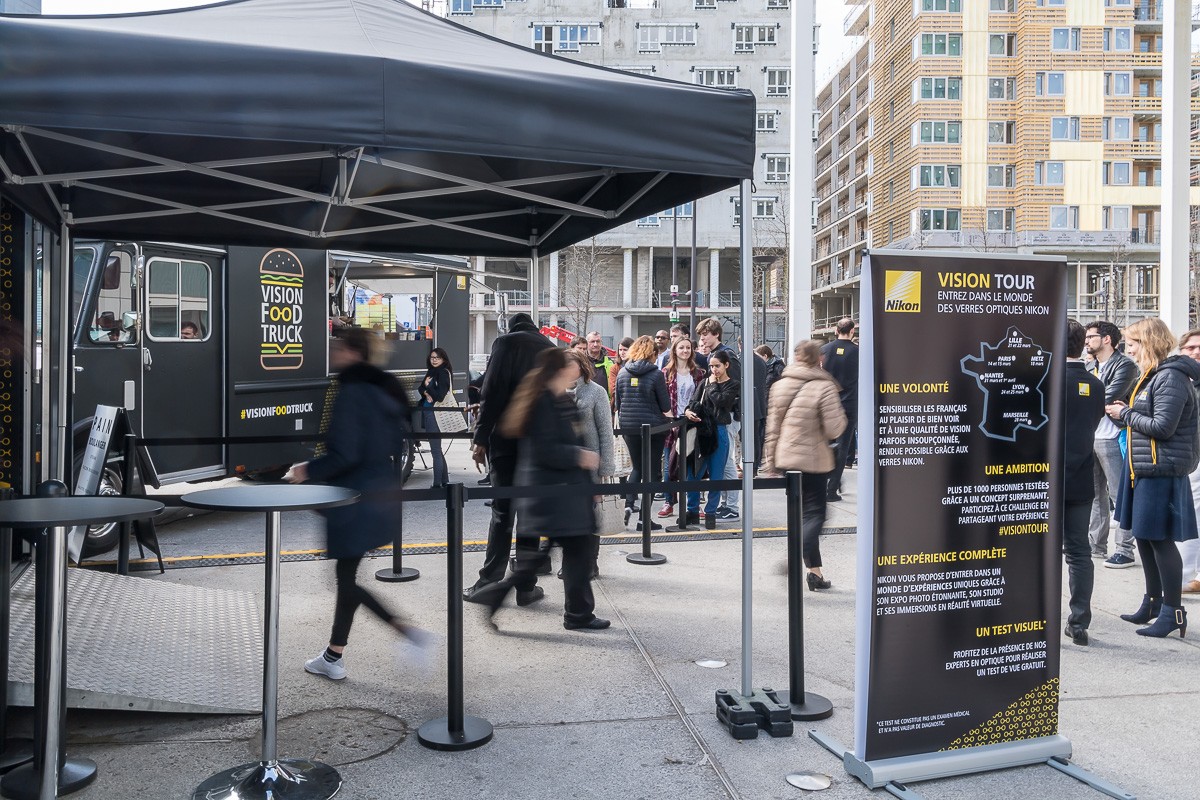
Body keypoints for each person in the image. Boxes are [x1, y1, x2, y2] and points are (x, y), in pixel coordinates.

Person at [286, 328, 427, 679]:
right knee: (345, 575)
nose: (333, 354)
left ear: (352, 352)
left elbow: (346, 453)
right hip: (380, 495)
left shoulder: (352, 391)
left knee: (347, 580)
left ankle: (409, 635)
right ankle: (333, 656)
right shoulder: (384, 389)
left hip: (354, 500)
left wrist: (306, 470)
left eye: (337, 348)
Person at [477, 348, 609, 631]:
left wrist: (589, 484)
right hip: (555, 494)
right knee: (576, 552)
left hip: (561, 494)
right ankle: (578, 614)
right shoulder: (544, 403)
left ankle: (498, 595)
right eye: (572, 364)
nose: (578, 368)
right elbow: (544, 450)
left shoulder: (558, 399)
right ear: (560, 370)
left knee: (553, 554)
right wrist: (580, 456)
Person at [1105, 317, 1199, 639]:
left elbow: (1163, 427)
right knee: (1144, 537)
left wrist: (1126, 414)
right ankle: (1153, 602)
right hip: (1145, 469)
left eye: (1132, 344)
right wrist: (1123, 415)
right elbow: (1145, 423)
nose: (1128, 350)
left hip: (1161, 470)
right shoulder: (1152, 377)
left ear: (1148, 343)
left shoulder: (1170, 377)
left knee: (1159, 540)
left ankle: (1172, 611)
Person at [465, 312, 554, 603]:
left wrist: (480, 439)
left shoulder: (504, 342)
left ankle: (488, 583)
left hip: (505, 441)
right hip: (538, 444)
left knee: (503, 513)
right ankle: (526, 588)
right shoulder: (548, 346)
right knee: (529, 515)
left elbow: (492, 391)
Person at [761, 340, 847, 590]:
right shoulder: (824, 386)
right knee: (816, 515)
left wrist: (770, 461)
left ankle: (815, 574)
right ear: (819, 359)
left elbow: (772, 427)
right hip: (814, 460)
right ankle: (795, 556)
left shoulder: (780, 385)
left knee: (802, 517)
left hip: (787, 459)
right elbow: (834, 428)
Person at [1063, 320, 1106, 646]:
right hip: (1080, 480)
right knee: (1079, 553)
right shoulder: (1095, 385)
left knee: (1041, 553)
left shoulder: (1043, 380)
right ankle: (1079, 623)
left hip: (1042, 483)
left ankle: (1039, 619)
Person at [1084, 320, 1140, 568]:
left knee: (1121, 496)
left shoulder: (1125, 365)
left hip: (1113, 437)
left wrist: (1082, 401)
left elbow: (1106, 396)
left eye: (1091, 336)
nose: (1086, 341)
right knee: (1096, 496)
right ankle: (1096, 545)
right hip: (1091, 436)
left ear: (1106, 339)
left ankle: (1125, 550)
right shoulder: (1089, 365)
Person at [564, 349, 615, 578]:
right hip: (565, 465)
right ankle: (569, 563)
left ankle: (591, 562)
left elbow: (606, 431)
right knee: (568, 517)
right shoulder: (555, 392)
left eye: (570, 365)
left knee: (592, 516)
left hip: (591, 463)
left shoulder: (596, 392)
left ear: (582, 366)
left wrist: (606, 468)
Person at [614, 335, 671, 528]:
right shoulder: (656, 374)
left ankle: (629, 504)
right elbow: (665, 405)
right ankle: (644, 519)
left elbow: (618, 403)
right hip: (653, 428)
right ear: (652, 353)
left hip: (628, 426)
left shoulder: (622, 372)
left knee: (637, 467)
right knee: (653, 473)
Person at [685, 350, 739, 529]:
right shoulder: (704, 382)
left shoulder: (733, 384)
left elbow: (721, 402)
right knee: (693, 473)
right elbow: (692, 402)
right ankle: (692, 510)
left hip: (719, 430)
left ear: (726, 365)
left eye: (717, 366)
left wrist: (712, 385)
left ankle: (710, 513)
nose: (714, 370)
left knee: (716, 474)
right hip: (701, 431)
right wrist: (688, 412)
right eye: (711, 366)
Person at [696, 318, 742, 520]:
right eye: (701, 335)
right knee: (722, 461)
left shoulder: (727, 355)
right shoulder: (714, 355)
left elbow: (731, 388)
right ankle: (727, 504)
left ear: (716, 334)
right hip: (719, 415)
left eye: (705, 333)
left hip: (727, 415)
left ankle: (731, 506)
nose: (702, 338)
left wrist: (712, 386)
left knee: (727, 461)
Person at [659, 337, 705, 519]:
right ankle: (668, 501)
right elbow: (662, 399)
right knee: (669, 463)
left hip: (692, 422)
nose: (685, 351)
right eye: (681, 348)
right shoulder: (665, 372)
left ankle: (693, 504)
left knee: (693, 465)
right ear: (675, 350)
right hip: (672, 421)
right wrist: (668, 419)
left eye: (688, 348)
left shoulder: (698, 373)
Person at [820, 317, 859, 502]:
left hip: (827, 403)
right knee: (843, 447)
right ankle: (831, 489)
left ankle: (827, 481)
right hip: (849, 404)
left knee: (826, 445)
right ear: (852, 331)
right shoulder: (858, 352)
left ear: (836, 330)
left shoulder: (825, 350)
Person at [1175, 329, 1200, 595]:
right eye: (1190, 347)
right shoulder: (1184, 380)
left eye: (1199, 347)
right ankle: (1187, 576)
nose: (1195, 352)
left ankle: (1186, 576)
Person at [419, 347, 453, 488]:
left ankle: (437, 483)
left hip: (435, 414)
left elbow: (440, 396)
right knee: (437, 449)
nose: (434, 360)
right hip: (428, 412)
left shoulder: (443, 373)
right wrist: (426, 392)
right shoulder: (431, 372)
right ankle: (444, 481)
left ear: (443, 359)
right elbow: (421, 388)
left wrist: (429, 388)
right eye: (432, 357)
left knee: (435, 450)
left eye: (437, 358)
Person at [585, 331, 616, 400]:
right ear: (587, 343)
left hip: (605, 403)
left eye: (598, 341)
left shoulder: (610, 363)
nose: (595, 344)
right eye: (592, 341)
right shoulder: (581, 362)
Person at [609, 336, 634, 407]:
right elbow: (613, 390)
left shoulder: (638, 366)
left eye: (625, 350)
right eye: (620, 350)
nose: (622, 353)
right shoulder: (615, 368)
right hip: (619, 405)